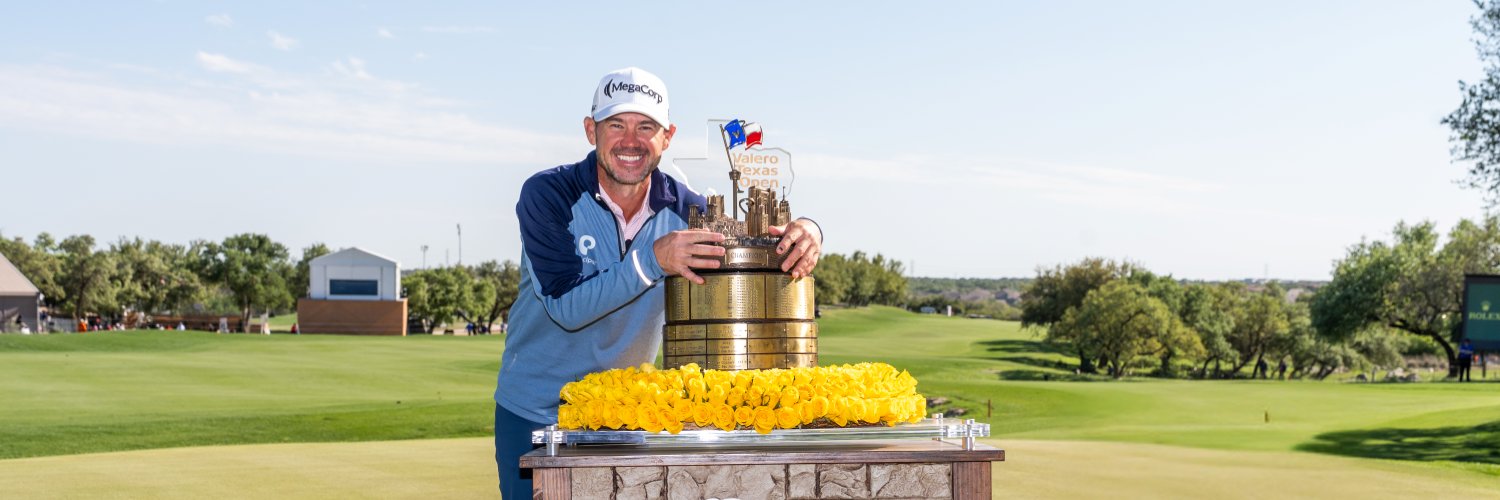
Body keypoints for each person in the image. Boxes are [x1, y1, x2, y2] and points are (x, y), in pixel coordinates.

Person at [492, 67, 823, 499]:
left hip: (626, 417)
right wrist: (652, 260)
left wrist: (810, 231)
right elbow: (564, 307)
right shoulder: (547, 194)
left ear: (667, 137)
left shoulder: (688, 210)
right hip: (534, 414)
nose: (630, 140)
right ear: (591, 130)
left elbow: (754, 248)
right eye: (616, 125)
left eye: (646, 126)